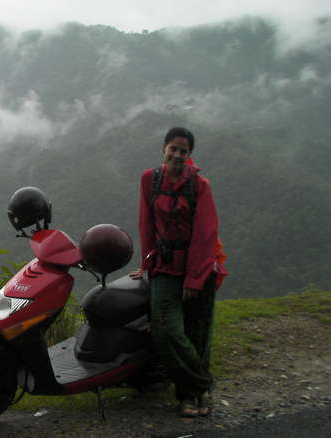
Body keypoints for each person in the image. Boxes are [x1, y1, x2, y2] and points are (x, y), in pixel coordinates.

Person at [130, 127, 227, 417]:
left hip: (200, 266)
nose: (177, 155)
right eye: (173, 148)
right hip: (165, 264)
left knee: (198, 334)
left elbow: (205, 235)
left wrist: (195, 278)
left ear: (189, 156)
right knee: (165, 329)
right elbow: (146, 224)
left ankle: (189, 397)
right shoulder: (150, 180)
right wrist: (146, 263)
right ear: (164, 148)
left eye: (183, 151)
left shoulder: (200, 186)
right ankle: (202, 385)